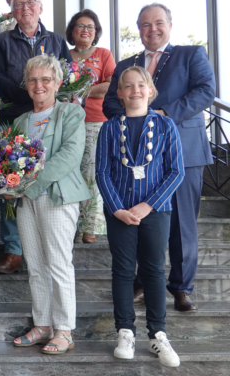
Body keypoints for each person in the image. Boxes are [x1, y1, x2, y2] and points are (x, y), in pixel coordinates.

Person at [103, 3, 215, 312]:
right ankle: (143, 283)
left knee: (182, 223)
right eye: (145, 24)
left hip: (185, 152)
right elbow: (110, 103)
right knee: (142, 220)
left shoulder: (191, 54)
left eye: (158, 23)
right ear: (138, 29)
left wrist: (163, 115)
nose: (152, 29)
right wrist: (133, 119)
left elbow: (206, 90)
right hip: (137, 159)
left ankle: (181, 287)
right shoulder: (127, 64)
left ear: (170, 25)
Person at [96, 66, 184, 367]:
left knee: (154, 270)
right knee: (122, 270)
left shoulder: (166, 126)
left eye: (141, 85)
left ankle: (158, 334)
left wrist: (149, 205)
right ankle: (125, 331)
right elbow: (102, 172)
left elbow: (176, 171)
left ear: (151, 91)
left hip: (156, 210)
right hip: (119, 211)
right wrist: (117, 208)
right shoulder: (109, 128)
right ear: (119, 93)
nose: (135, 90)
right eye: (128, 86)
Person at [0, 0, 73, 274]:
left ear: (41, 7)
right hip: (14, 119)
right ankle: (13, 249)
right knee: (10, 179)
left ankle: (46, 243)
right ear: (13, 11)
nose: (25, 8)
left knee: (48, 176)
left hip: (51, 120)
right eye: (19, 4)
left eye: (31, 3)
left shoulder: (57, 40)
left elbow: (67, 77)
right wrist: (28, 93)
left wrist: (45, 97)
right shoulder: (2, 40)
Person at [10, 54, 90, 355]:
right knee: (35, 264)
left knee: (57, 263)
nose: (39, 85)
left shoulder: (70, 112)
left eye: (45, 79)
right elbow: (9, 161)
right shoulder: (20, 121)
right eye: (33, 80)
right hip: (26, 201)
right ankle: (43, 325)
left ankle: (64, 330)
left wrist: (31, 185)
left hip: (57, 195)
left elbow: (70, 155)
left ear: (57, 83)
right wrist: (7, 184)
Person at [66, 9, 116, 244]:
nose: (85, 30)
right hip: (67, 122)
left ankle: (90, 226)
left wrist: (82, 92)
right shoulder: (64, 54)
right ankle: (71, 224)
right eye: (80, 26)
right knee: (70, 172)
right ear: (72, 31)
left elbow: (111, 84)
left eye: (90, 27)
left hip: (95, 120)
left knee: (91, 173)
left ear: (96, 32)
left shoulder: (104, 54)